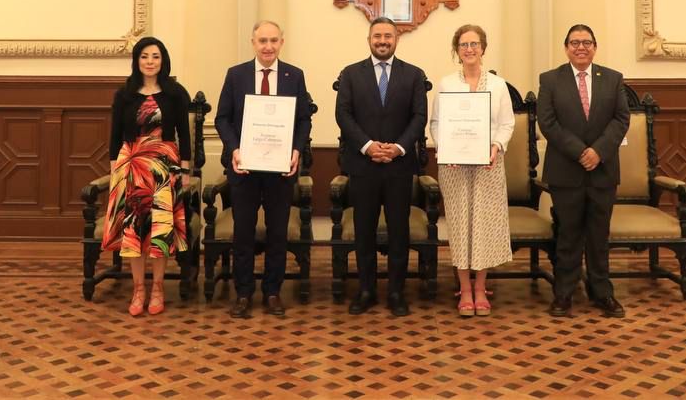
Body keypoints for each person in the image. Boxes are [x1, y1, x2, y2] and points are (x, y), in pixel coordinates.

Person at [214, 20, 313, 318]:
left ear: (281, 42)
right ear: (253, 42)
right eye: (262, 41)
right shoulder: (236, 75)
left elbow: (304, 120)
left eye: (273, 40)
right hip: (244, 168)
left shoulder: (294, 75)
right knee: (243, 233)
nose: (268, 46)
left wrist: (296, 150)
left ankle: (272, 292)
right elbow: (222, 118)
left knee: (277, 233)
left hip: (280, 170)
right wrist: (235, 149)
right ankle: (243, 293)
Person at [335, 16, 429, 316]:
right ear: (369, 40)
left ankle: (396, 292)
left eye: (388, 36)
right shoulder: (351, 74)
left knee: (399, 232)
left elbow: (419, 117)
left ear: (396, 39)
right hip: (363, 165)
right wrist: (368, 146)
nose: (383, 41)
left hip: (399, 167)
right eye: (377, 36)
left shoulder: (414, 75)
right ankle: (366, 290)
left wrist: (398, 148)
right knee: (364, 231)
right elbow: (343, 115)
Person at [536, 24, 630, 319]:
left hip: (603, 170)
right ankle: (564, 293)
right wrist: (580, 151)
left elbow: (621, 119)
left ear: (595, 47)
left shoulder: (613, 79)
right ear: (566, 48)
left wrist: (598, 151)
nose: (581, 47)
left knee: (599, 236)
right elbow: (547, 122)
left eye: (586, 42)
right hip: (566, 170)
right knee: (568, 235)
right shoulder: (550, 80)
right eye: (575, 42)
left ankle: (602, 292)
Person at [101, 36, 193, 317]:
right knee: (134, 231)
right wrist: (115, 170)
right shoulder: (124, 94)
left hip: (163, 167)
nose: (150, 62)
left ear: (163, 60)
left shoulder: (175, 93)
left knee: (159, 230)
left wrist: (185, 169)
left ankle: (158, 289)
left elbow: (183, 134)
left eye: (155, 56)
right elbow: (115, 135)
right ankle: (139, 289)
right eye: (144, 56)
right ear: (136, 60)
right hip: (131, 167)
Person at [429, 24, 514, 317]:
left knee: (484, 226)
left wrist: (496, 147)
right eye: (464, 45)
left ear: (483, 48)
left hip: (489, 164)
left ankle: (481, 287)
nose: (469, 49)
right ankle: (464, 289)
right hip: (454, 167)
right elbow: (436, 123)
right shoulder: (446, 84)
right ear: (457, 50)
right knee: (460, 225)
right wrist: (445, 149)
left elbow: (507, 124)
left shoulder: (498, 85)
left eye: (474, 44)